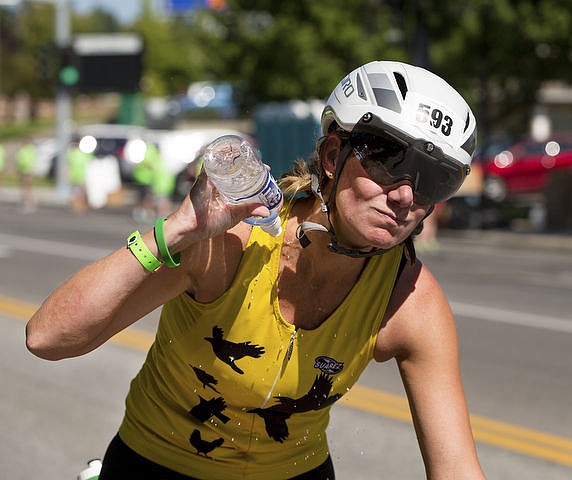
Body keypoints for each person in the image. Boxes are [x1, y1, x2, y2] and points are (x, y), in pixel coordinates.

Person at [26, 61, 486, 480]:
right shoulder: (233, 241)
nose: (406, 195)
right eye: (390, 163)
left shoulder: (410, 301)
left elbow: (457, 469)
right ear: (331, 157)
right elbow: (49, 338)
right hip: (156, 466)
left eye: (434, 179)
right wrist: (177, 229)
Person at [67, 140, 94, 214]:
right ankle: (76, 206)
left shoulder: (84, 153)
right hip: (75, 175)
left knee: (82, 192)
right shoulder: (72, 153)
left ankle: (83, 206)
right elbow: (69, 165)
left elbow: (90, 161)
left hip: (82, 175)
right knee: (75, 192)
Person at [16, 140, 37, 213]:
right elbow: (19, 160)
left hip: (28, 170)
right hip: (23, 170)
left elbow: (31, 160)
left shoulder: (30, 150)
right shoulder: (22, 150)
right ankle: (26, 201)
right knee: (24, 187)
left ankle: (30, 202)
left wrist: (30, 169)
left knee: (28, 187)